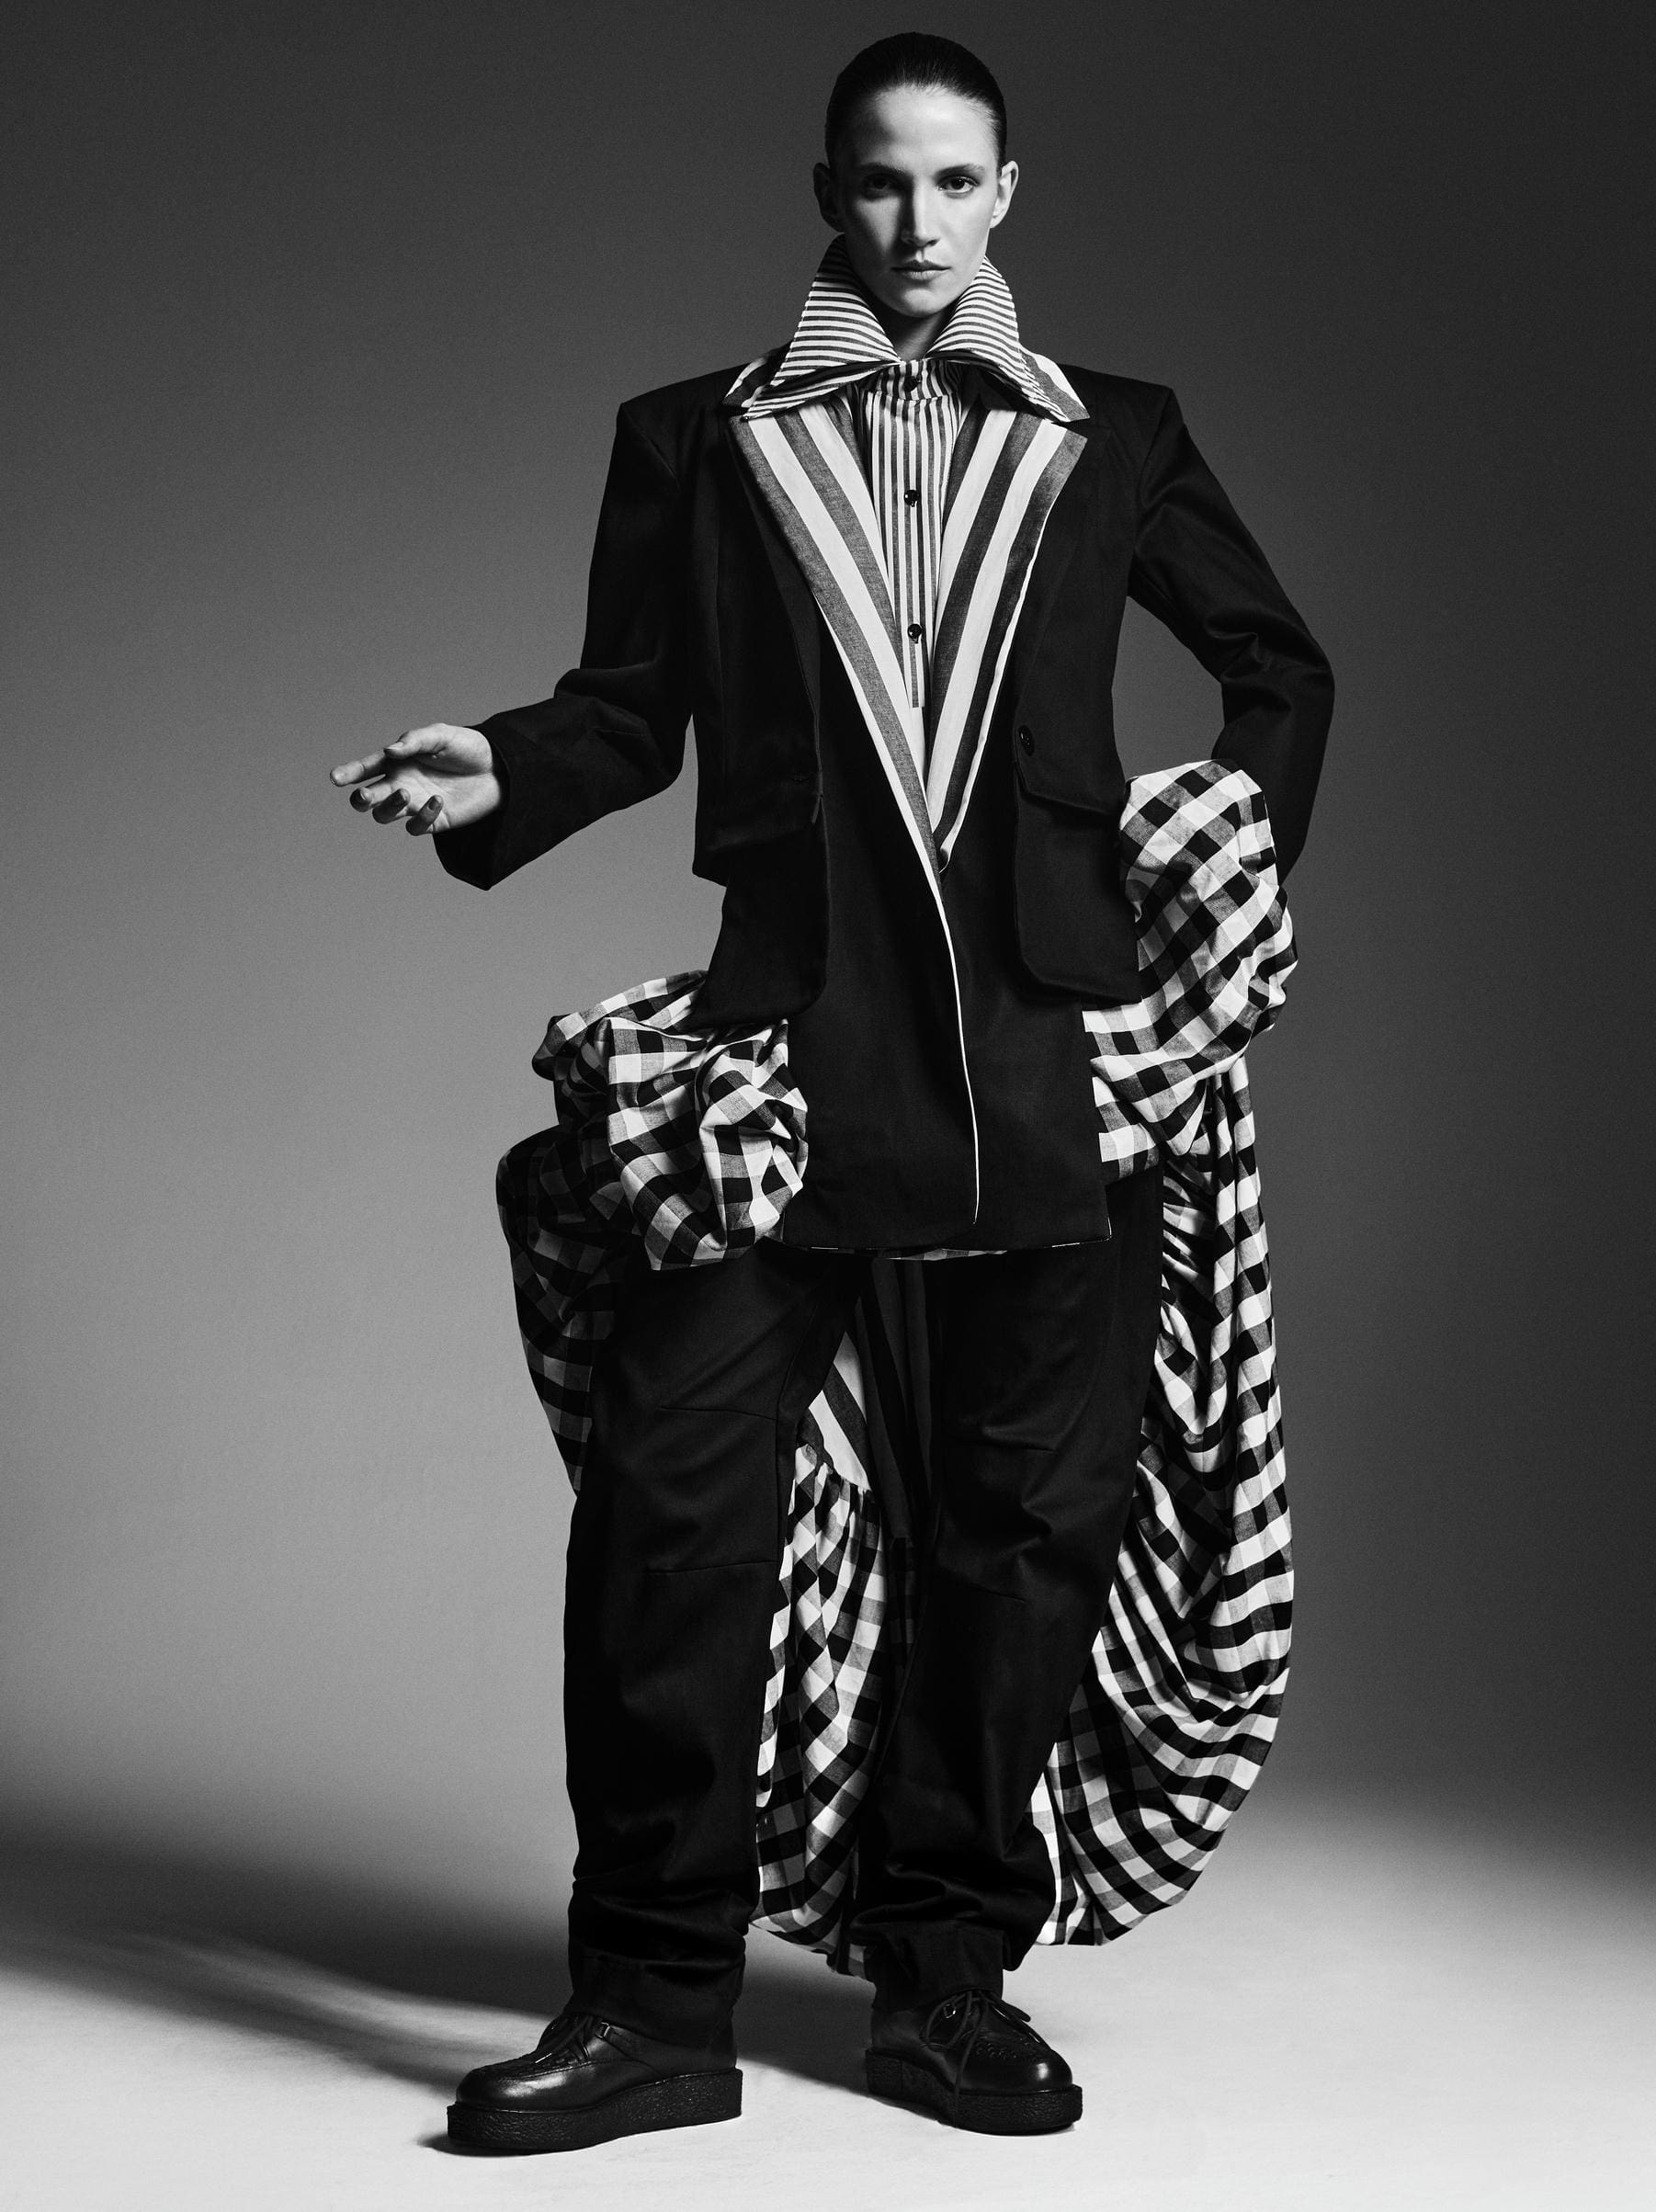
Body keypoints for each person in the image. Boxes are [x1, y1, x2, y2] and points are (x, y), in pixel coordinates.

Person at [332, 32, 1331, 2149]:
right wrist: (502, 766)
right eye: (881, 182)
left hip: (1047, 1070)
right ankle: (650, 2008)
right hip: (780, 1065)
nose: (917, 220)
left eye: (956, 181)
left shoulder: (1117, 435)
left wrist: (1218, 871)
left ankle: (944, 1981)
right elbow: (631, 710)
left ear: (1008, 192)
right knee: (671, 1510)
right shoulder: (694, 440)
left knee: (1024, 1529)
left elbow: (1281, 667)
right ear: (826, 192)